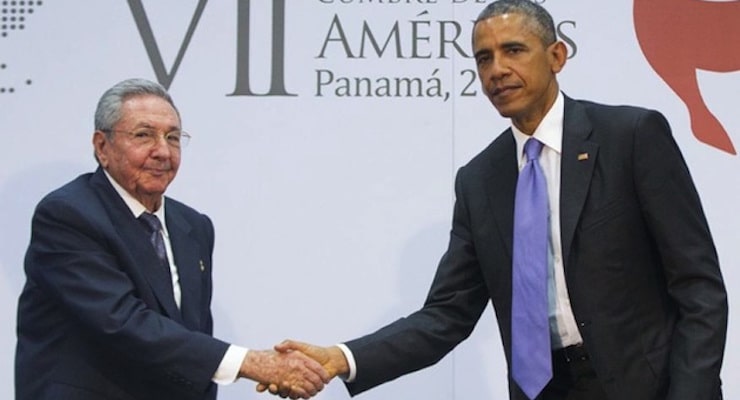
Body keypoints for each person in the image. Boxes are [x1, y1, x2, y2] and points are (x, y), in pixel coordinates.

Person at [260, 1, 729, 399]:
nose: (497, 69)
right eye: (484, 58)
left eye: (513, 51)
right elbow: (446, 315)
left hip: (652, 386)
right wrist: (341, 358)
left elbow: (699, 287)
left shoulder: (631, 137)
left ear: (557, 56)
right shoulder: (480, 181)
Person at [15, 78, 329, 400]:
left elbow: (189, 337)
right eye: (143, 135)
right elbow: (123, 322)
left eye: (173, 137)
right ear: (102, 146)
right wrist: (249, 363)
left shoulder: (193, 226)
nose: (163, 151)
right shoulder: (69, 215)